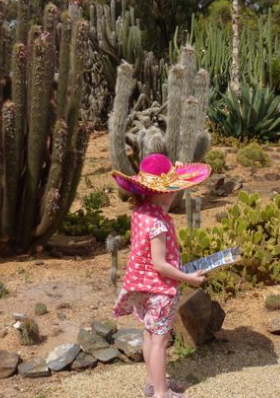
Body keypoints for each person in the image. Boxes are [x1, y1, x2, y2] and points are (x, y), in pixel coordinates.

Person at [112, 153, 211, 398]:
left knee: (149, 334)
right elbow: (160, 265)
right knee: (160, 341)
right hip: (160, 290)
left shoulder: (141, 212)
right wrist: (189, 279)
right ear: (165, 191)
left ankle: (152, 384)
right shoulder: (158, 223)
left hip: (143, 287)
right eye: (174, 188)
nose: (177, 192)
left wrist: (176, 171)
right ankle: (161, 393)